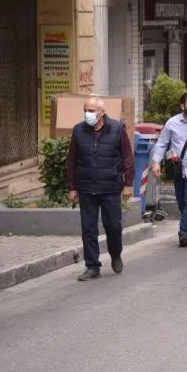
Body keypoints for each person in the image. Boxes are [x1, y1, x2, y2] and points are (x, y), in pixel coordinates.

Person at [68, 97, 134, 281]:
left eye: (91, 110)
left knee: (113, 226)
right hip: (87, 187)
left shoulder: (117, 129)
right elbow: (72, 160)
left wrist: (128, 184)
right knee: (88, 229)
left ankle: (115, 254)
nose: (88, 114)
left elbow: (128, 158)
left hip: (110, 187)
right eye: (86, 110)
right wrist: (72, 187)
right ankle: (92, 266)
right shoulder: (78, 131)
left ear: (102, 112)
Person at [152, 91, 187, 247]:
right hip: (178, 169)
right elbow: (162, 143)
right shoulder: (172, 123)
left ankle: (183, 234)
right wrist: (156, 162)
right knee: (181, 201)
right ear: (182, 106)